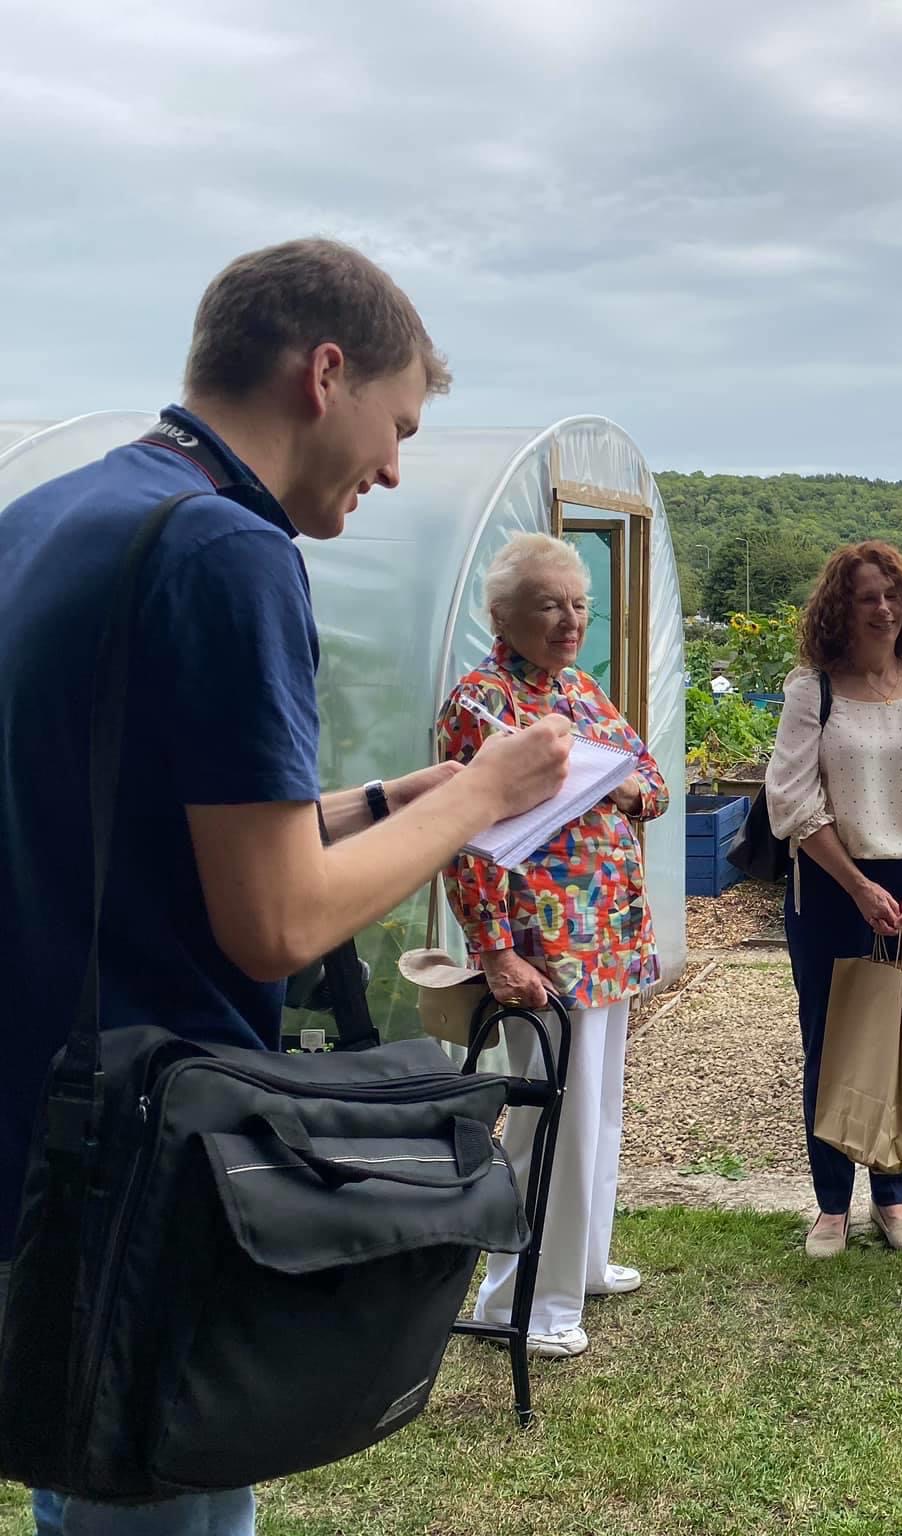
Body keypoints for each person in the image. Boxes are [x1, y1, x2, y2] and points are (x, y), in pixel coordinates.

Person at [0, 240, 572, 1536]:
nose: (394, 469)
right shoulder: (228, 550)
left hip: (44, 1141)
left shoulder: (57, 517)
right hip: (151, 1170)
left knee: (76, 1490)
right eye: (398, 426)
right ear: (325, 374)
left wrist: (393, 800)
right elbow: (274, 922)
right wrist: (482, 796)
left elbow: (149, 829)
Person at [436, 532, 670, 1360]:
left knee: (595, 1114)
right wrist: (497, 952)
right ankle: (524, 1303)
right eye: (550, 605)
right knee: (548, 1126)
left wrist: (628, 789)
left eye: (579, 604)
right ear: (502, 615)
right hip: (543, 948)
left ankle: (583, 1265)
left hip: (608, 939)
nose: (571, 620)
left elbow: (653, 783)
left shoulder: (581, 690)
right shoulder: (482, 704)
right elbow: (463, 839)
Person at [765, 541, 902, 1259]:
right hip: (830, 885)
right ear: (840, 610)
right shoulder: (811, 691)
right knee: (831, 1042)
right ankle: (831, 1205)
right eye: (865, 598)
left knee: (901, 1039)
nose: (882, 609)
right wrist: (858, 885)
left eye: (891, 594)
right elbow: (791, 800)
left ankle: (892, 1196)